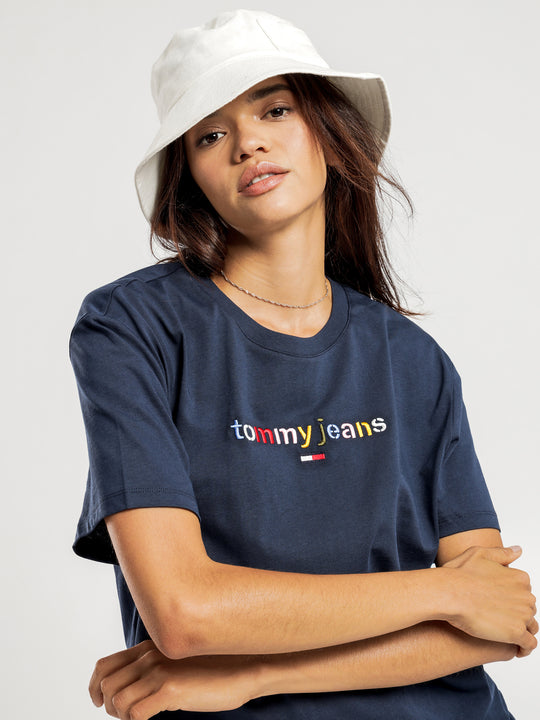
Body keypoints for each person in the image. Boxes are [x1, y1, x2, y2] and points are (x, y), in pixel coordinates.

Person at [69, 9, 537, 720]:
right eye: (210, 134)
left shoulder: (412, 358)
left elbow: (499, 623)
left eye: (275, 109)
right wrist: (444, 591)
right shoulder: (132, 327)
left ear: (329, 130)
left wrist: (254, 674)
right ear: (189, 176)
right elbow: (186, 612)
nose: (247, 142)